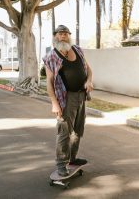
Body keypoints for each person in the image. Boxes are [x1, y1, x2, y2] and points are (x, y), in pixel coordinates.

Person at [43, 24, 93, 177]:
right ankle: (61, 165)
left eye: (65, 33)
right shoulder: (51, 56)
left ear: (69, 35)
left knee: (78, 131)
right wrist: (54, 103)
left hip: (81, 95)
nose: (63, 35)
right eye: (60, 33)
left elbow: (88, 69)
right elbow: (49, 82)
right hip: (66, 98)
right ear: (55, 36)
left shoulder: (77, 50)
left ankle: (73, 158)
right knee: (64, 132)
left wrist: (89, 81)